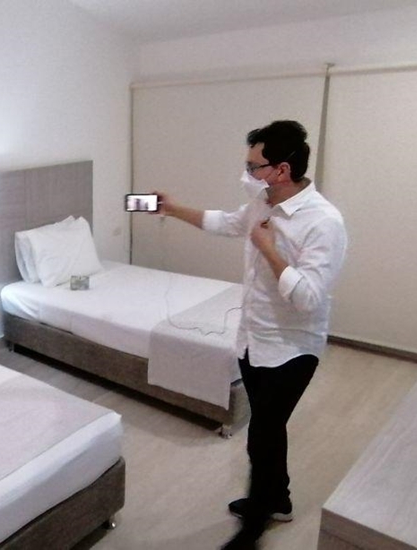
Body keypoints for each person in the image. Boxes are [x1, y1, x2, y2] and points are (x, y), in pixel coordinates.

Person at [154, 120, 347, 549]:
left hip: (293, 348)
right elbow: (226, 222)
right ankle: (278, 499)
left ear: (281, 170)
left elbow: (308, 298)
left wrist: (269, 250)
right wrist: (173, 208)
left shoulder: (324, 222)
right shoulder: (263, 201)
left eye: (253, 166)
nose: (247, 173)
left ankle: (252, 531)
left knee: (262, 434)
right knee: (269, 429)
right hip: (252, 339)